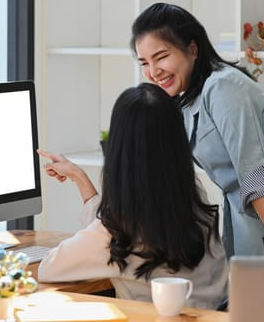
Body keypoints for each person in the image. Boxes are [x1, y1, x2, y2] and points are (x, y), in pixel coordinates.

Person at [130, 2, 264, 257]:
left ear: (192, 49)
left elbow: (254, 171)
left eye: (162, 57)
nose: (153, 72)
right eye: (144, 62)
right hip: (254, 224)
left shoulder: (223, 87)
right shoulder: (187, 100)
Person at [37, 83, 228, 310]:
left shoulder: (117, 232)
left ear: (119, 150)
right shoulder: (192, 200)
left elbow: (49, 267)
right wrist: (80, 178)